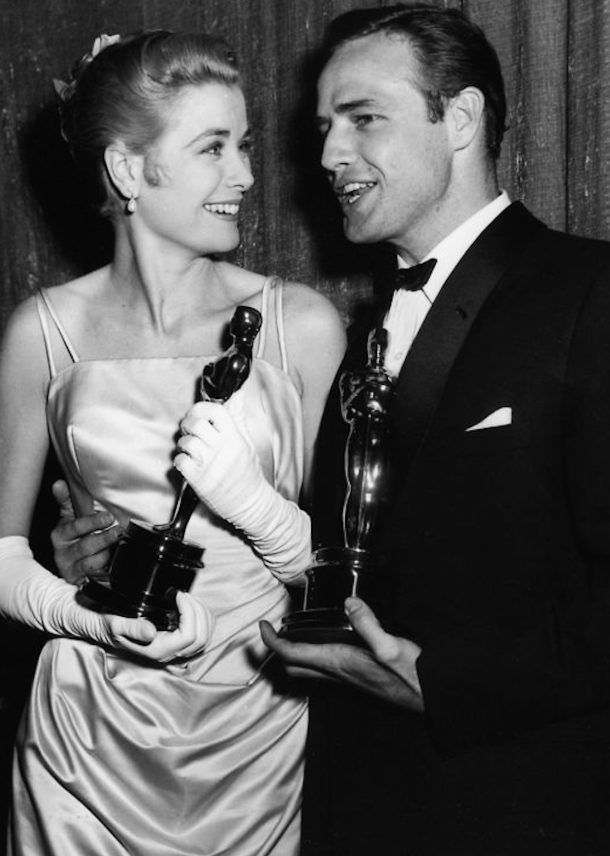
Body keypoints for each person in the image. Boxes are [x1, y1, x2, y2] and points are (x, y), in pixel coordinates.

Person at [0, 30, 345, 856]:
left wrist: (254, 507)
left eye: (242, 145)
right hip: (85, 746)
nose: (247, 174)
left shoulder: (301, 328)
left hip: (260, 734)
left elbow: (355, 580)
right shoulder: (45, 333)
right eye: (213, 147)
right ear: (128, 170)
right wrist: (85, 616)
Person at [257, 5, 610, 855]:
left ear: (460, 117)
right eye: (324, 128)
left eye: (363, 118)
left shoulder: (592, 293)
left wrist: (436, 683)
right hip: (357, 808)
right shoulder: (360, 337)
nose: (330, 155)